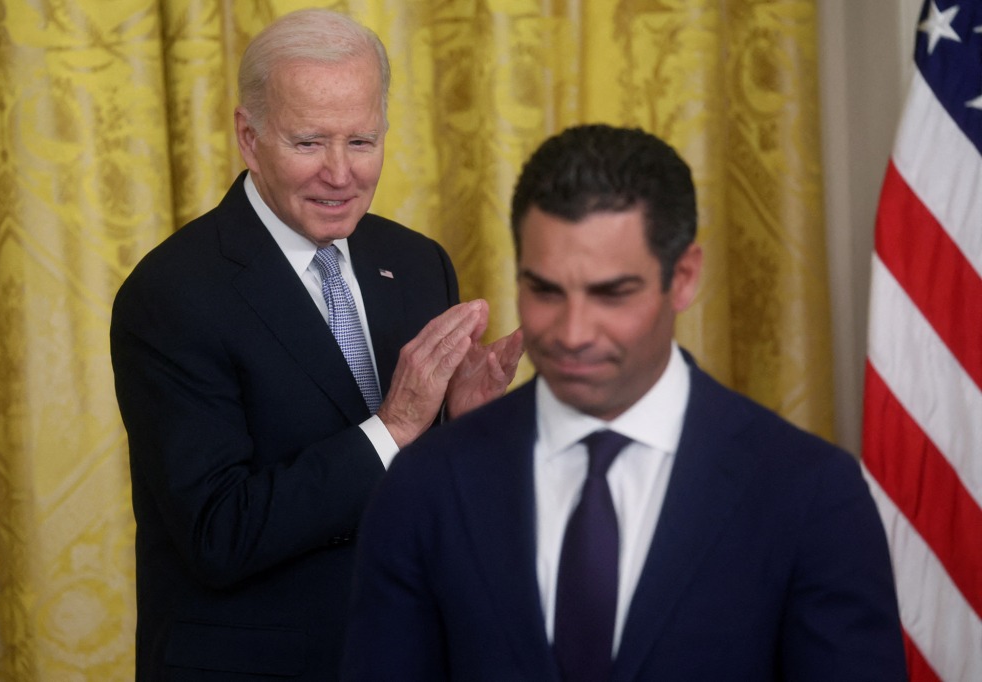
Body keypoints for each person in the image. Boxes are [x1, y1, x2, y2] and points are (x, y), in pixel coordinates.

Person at [342, 124, 907, 681]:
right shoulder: (425, 486)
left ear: (683, 277)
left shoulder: (811, 492)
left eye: (612, 293)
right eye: (545, 290)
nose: (574, 331)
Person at [110, 8, 521, 680]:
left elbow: (430, 503)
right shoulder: (171, 294)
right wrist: (395, 426)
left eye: (362, 141)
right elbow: (220, 533)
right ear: (248, 136)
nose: (341, 174)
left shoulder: (418, 263)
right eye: (309, 143)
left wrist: (464, 432)